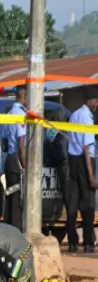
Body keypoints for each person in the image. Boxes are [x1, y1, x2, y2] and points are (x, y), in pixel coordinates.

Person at [64, 87, 98, 253]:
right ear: (88, 101)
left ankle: (72, 242)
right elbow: (87, 148)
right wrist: (91, 176)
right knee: (88, 205)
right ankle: (89, 242)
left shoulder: (74, 115)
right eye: (95, 101)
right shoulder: (87, 118)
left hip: (73, 161)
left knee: (73, 203)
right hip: (85, 163)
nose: (97, 104)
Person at [0, 88, 28, 231]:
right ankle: (17, 234)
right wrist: (25, 166)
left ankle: (9, 232)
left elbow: (4, 141)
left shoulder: (9, 113)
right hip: (17, 160)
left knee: (10, 200)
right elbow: (22, 145)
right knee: (18, 202)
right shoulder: (21, 115)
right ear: (24, 97)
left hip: (9, 160)